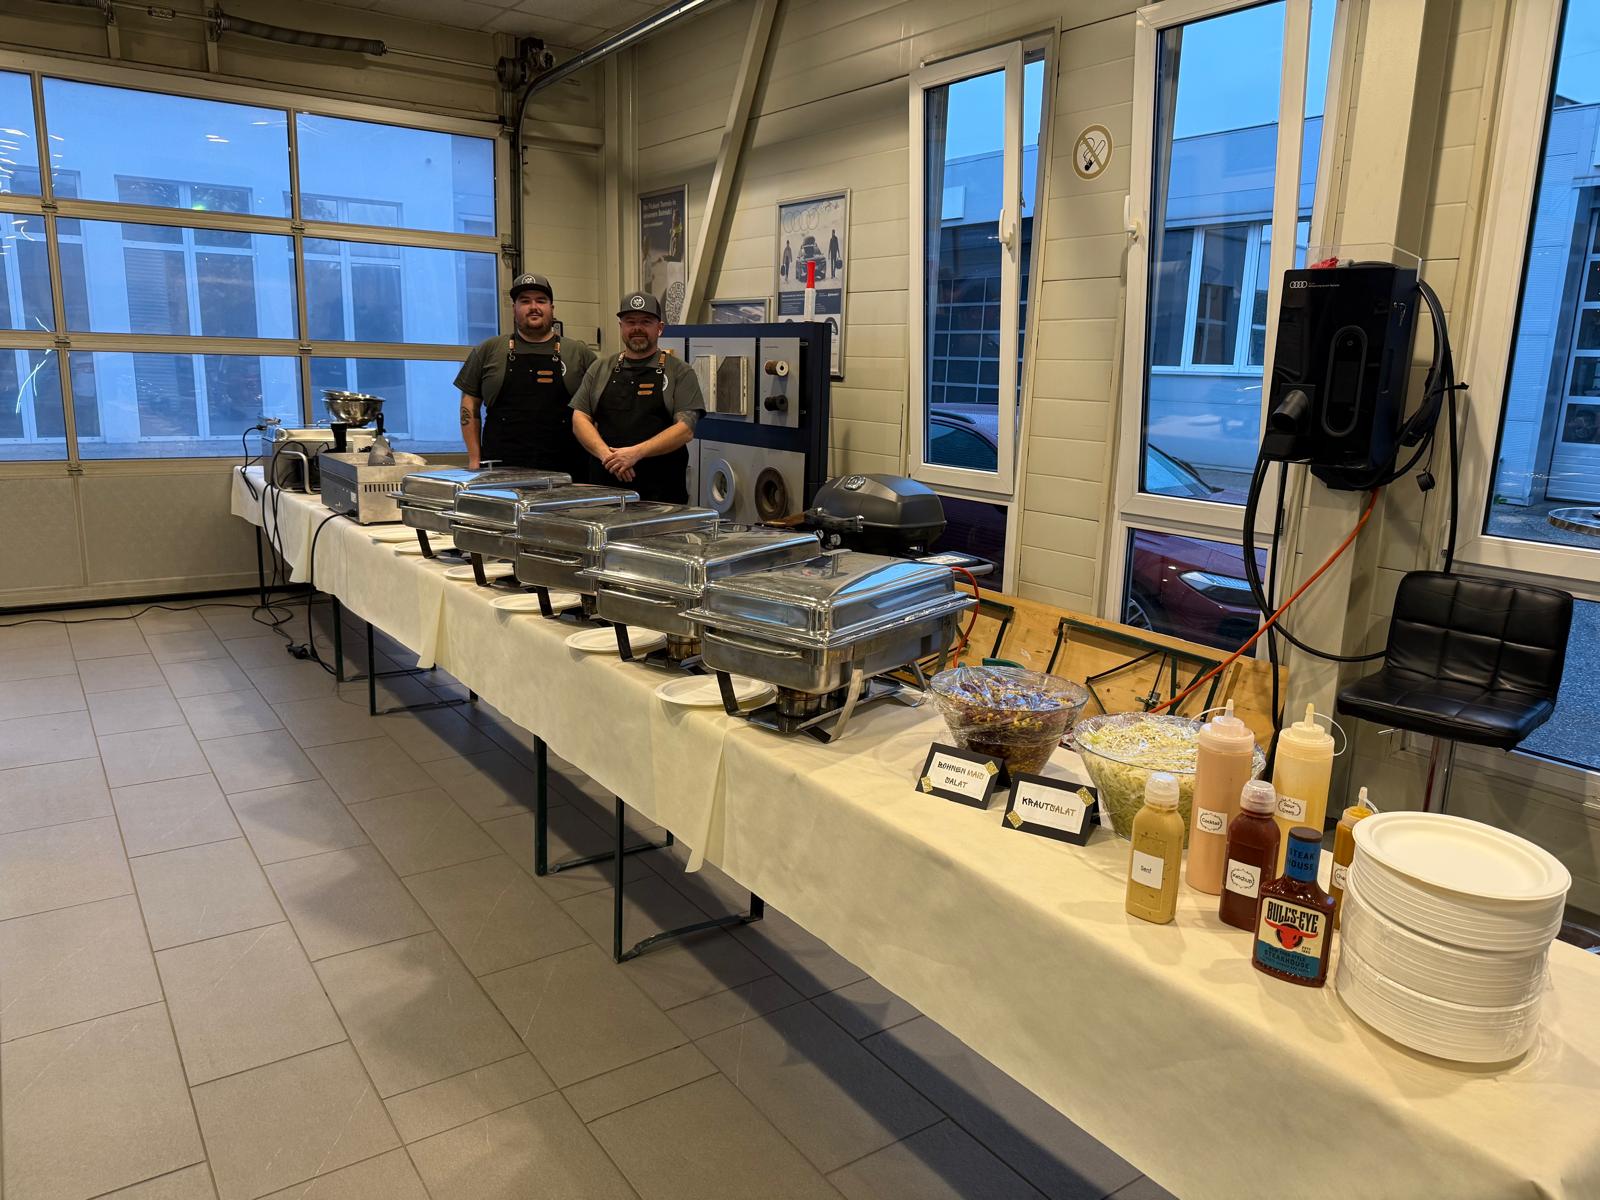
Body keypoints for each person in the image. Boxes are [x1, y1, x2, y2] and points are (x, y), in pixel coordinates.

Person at [454, 273, 596, 474]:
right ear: (514, 308)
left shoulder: (579, 354)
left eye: (541, 300)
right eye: (525, 301)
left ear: (552, 308)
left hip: (568, 471)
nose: (533, 307)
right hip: (501, 470)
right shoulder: (489, 350)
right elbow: (469, 405)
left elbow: (598, 409)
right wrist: (474, 459)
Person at [570, 291, 704, 503]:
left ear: (660, 328)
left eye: (646, 321)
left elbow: (685, 429)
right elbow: (579, 418)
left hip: (662, 496)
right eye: (630, 322)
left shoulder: (680, 372)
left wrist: (636, 453)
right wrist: (609, 457)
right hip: (605, 491)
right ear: (621, 326)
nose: (637, 328)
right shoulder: (600, 369)